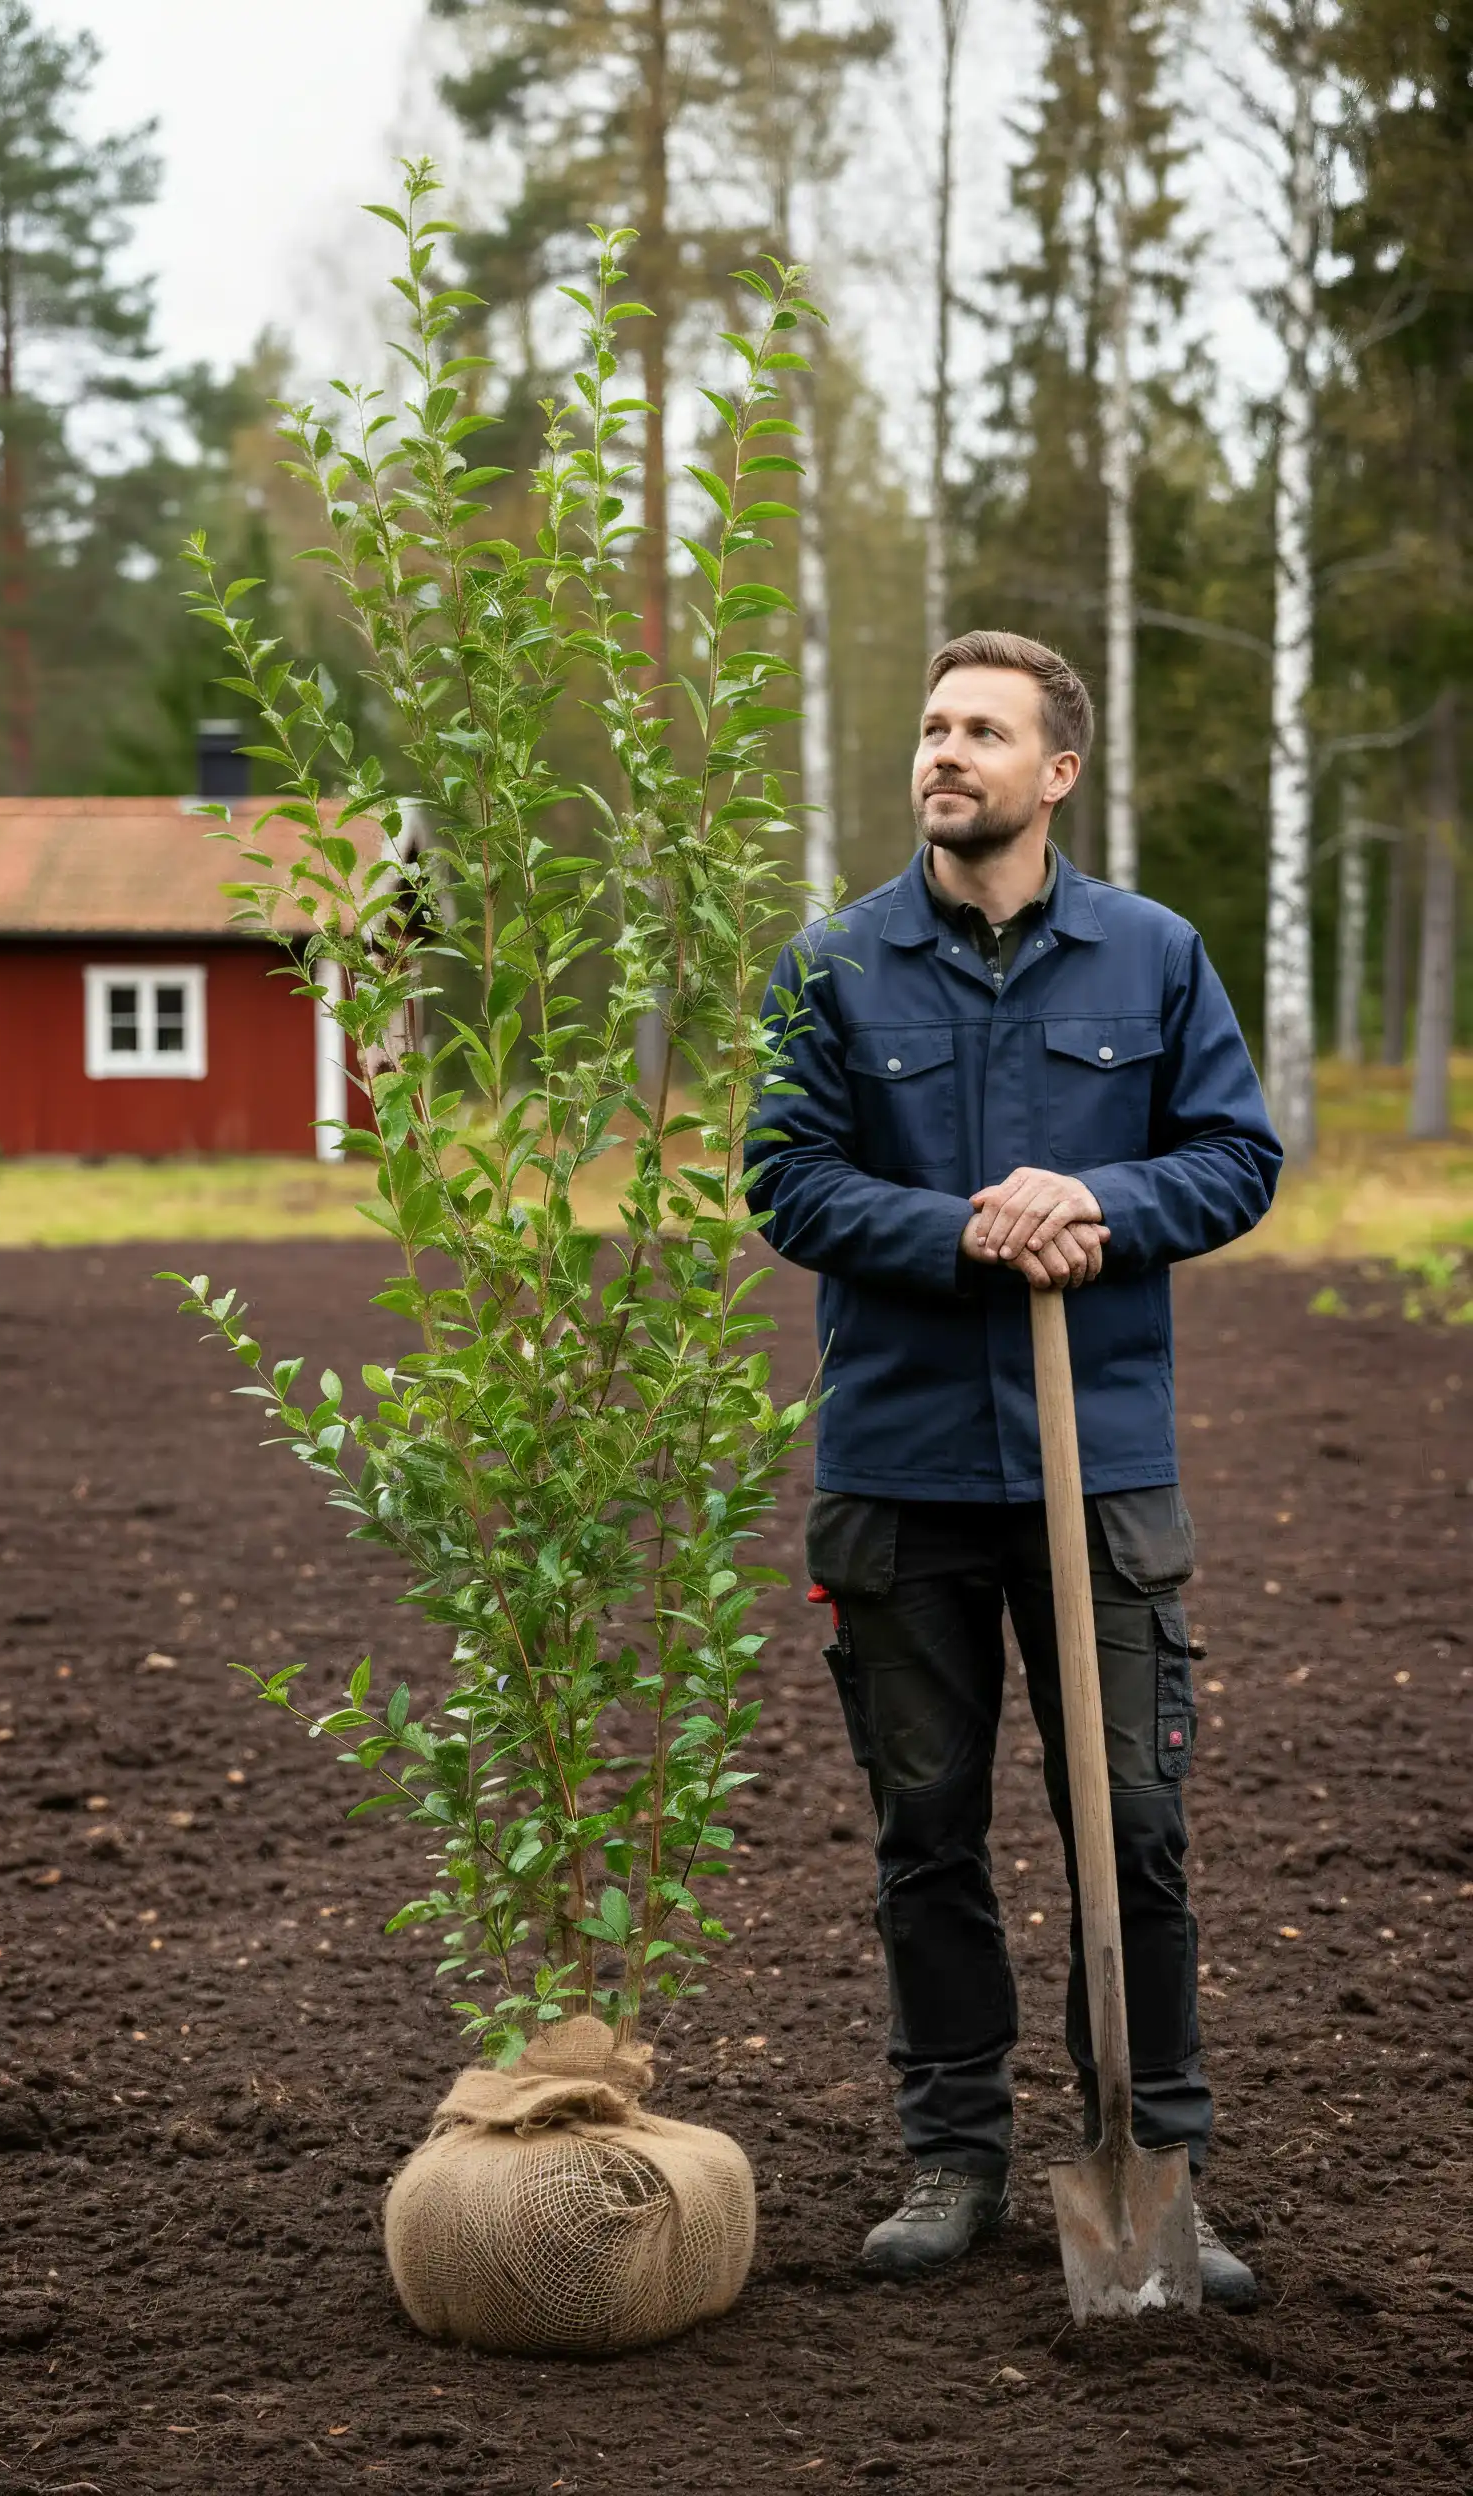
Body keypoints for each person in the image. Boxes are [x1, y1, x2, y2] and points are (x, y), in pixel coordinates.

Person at [745, 629, 1281, 2310]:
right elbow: (788, 1181)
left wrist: (1103, 1205)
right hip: (899, 1474)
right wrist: (975, 1228)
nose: (945, 752)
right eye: (931, 726)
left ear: (1056, 772)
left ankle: (1157, 2160)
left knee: (1135, 1829)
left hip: (1098, 1474)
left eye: (984, 730)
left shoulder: (1155, 956)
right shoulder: (835, 965)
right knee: (927, 1833)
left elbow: (1239, 1157)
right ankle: (954, 2158)